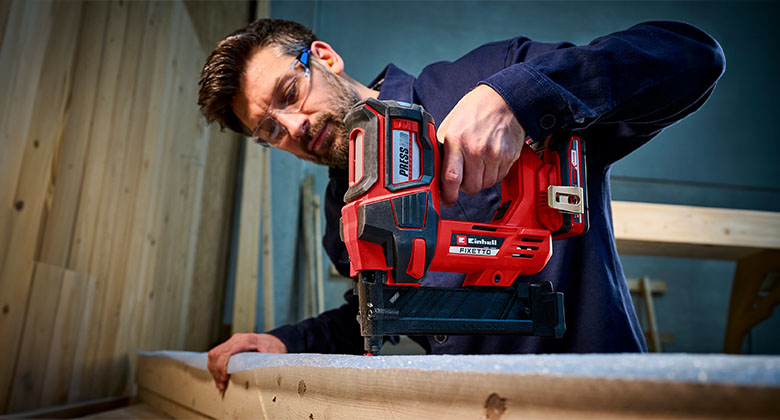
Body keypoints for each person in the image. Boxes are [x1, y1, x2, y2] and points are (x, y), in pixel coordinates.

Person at [198, 18, 725, 390]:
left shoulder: (481, 79)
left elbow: (692, 56)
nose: (294, 127)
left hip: (597, 392)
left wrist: (518, 99)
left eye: (289, 94)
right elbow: (383, 312)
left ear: (326, 58)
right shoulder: (342, 223)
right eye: (270, 130)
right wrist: (285, 342)